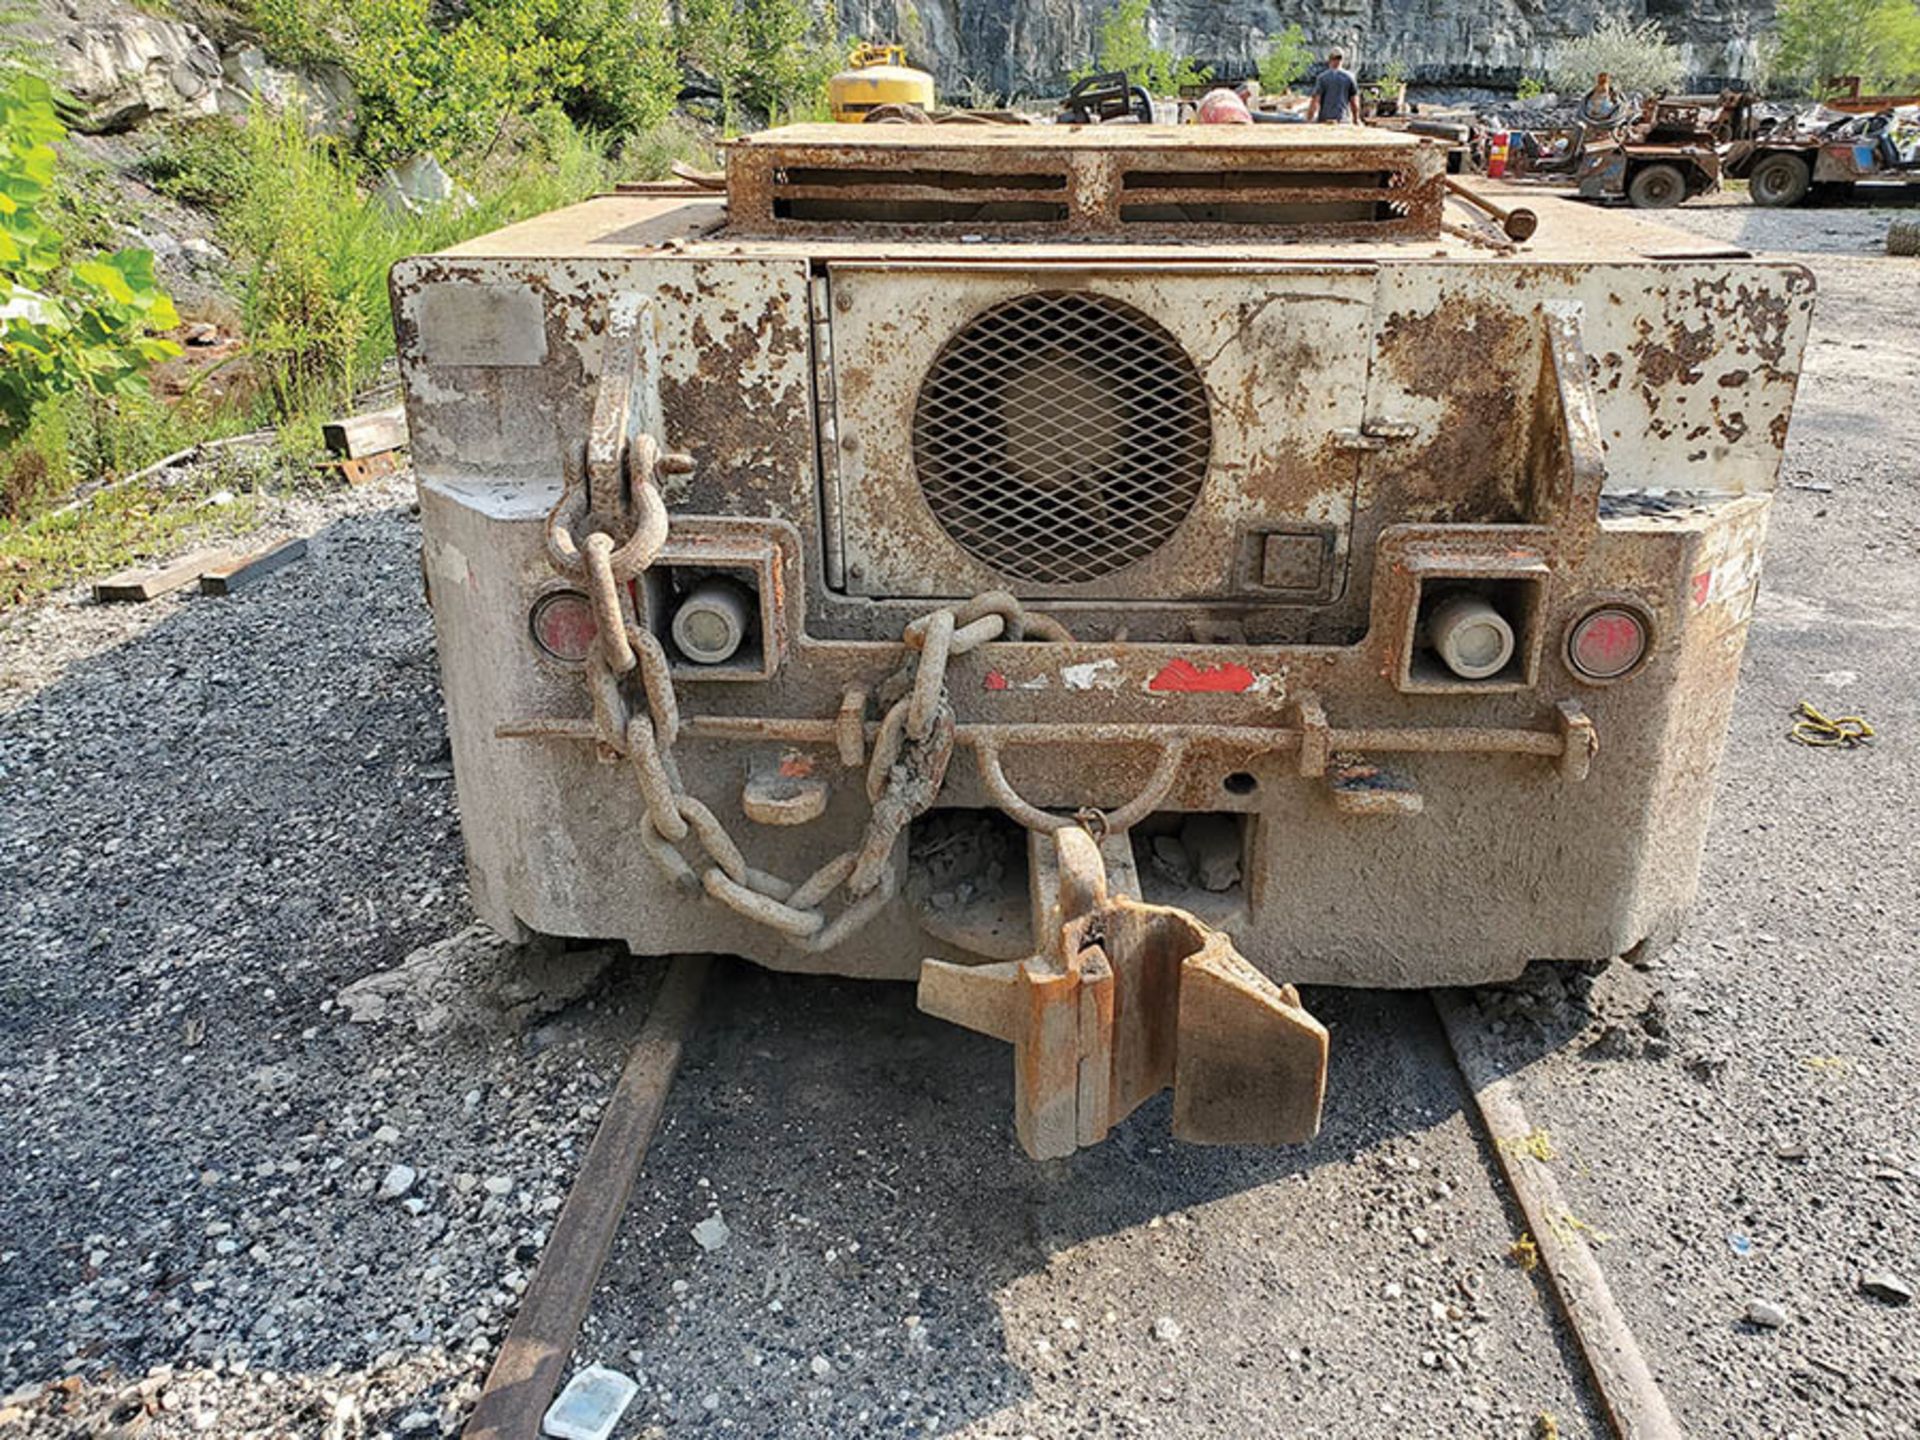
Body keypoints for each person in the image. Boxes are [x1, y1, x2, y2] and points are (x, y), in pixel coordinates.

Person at [1306, 50, 1361, 125]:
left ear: (1329, 60)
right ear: (1342, 60)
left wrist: (1309, 119)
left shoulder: (1322, 78)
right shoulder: (1350, 77)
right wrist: (1356, 119)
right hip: (1343, 120)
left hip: (1325, 120)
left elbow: (1315, 101)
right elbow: (1354, 103)